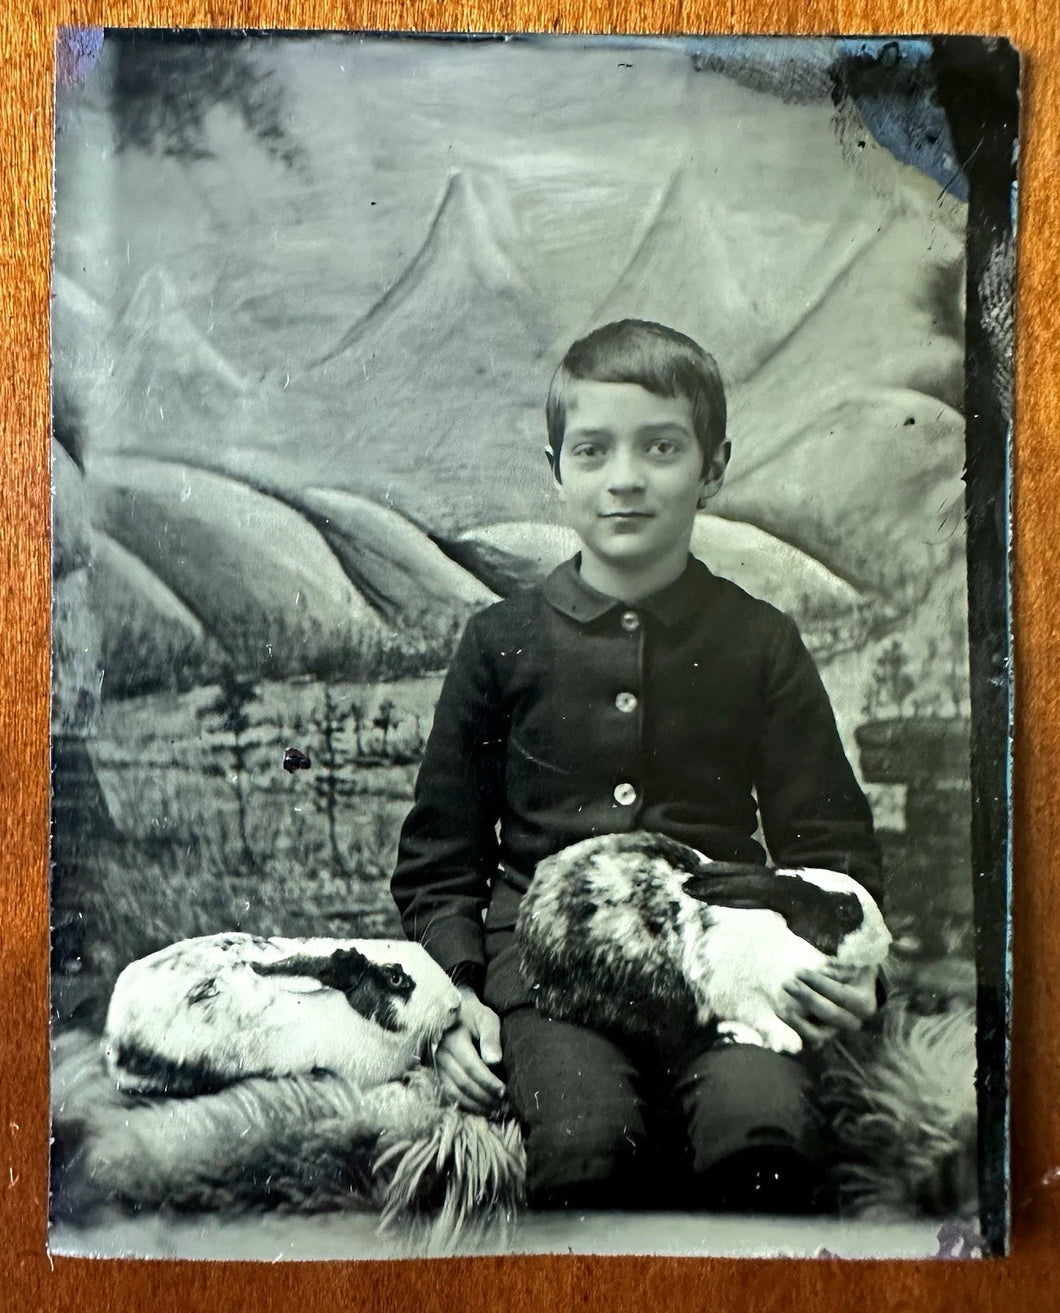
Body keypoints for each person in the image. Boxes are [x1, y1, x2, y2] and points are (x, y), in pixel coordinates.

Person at [391, 319, 882, 1213]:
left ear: (714, 467)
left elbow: (833, 845)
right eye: (593, 450)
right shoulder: (499, 643)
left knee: (761, 1131)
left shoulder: (759, 640)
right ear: (557, 469)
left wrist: (849, 973)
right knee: (583, 1140)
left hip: (727, 970)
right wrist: (457, 996)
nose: (625, 477)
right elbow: (438, 863)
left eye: (661, 447)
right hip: (548, 982)